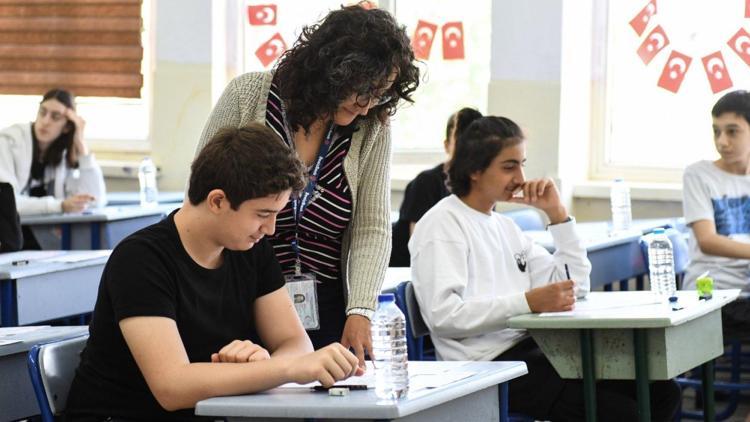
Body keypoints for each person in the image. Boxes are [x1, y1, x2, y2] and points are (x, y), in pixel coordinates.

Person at [65, 124, 363, 421]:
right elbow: (172, 387)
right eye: (262, 214)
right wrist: (279, 369)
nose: (270, 229)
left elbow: (295, 344)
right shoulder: (140, 260)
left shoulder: (251, 250)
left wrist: (261, 367)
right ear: (217, 201)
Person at [409, 116, 680, 421]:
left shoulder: (504, 226)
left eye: (522, 164)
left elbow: (574, 288)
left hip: (534, 352)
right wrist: (528, 302)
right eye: (509, 166)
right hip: (485, 368)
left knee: (662, 391)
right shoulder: (442, 224)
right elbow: (444, 316)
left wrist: (557, 215)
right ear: (475, 169)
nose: (521, 177)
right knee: (622, 413)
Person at [193, 3, 420, 367]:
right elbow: (202, 193)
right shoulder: (247, 95)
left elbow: (372, 227)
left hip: (325, 303)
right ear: (333, 70)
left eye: (381, 94)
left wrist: (360, 309)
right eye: (365, 90)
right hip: (239, 295)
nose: (368, 106)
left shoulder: (371, 126)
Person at [683, 90, 750, 341]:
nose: (722, 141)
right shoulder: (698, 175)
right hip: (711, 293)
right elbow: (707, 241)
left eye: (732, 131)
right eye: (716, 131)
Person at [390, 107, 482, 266]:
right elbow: (418, 246)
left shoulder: (482, 187)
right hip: (407, 269)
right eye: (461, 143)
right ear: (447, 145)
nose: (469, 151)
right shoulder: (426, 182)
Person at [0, 88, 105, 216]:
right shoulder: (8, 141)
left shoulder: (63, 153)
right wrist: (60, 205)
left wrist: (81, 145)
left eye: (55, 117)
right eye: (42, 112)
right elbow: (6, 203)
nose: (45, 121)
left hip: (39, 230)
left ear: (67, 126)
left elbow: (93, 201)